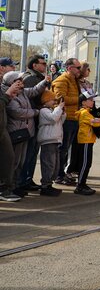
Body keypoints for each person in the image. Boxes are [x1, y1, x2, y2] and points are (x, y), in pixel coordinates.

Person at [3, 71, 48, 198]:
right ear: (12, 82)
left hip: (25, 132)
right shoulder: (10, 94)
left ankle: (16, 185)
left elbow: (34, 90)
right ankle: (9, 187)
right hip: (16, 132)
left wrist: (44, 82)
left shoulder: (22, 92)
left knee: (21, 161)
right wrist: (35, 112)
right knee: (14, 162)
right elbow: (17, 112)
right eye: (19, 80)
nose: (22, 82)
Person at [19, 54, 49, 192]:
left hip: (36, 118)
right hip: (32, 120)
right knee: (28, 154)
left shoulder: (37, 77)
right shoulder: (30, 78)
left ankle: (27, 179)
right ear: (34, 65)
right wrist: (42, 108)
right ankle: (23, 181)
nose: (45, 65)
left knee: (32, 153)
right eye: (43, 63)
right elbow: (32, 98)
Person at [51, 57, 82, 185]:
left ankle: (62, 173)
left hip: (73, 117)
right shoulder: (62, 80)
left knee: (66, 148)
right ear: (70, 68)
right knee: (62, 149)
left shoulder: (74, 80)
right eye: (78, 68)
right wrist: (80, 98)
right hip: (66, 119)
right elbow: (60, 99)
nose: (80, 70)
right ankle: (58, 175)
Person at [74, 90, 100, 196]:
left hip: (88, 140)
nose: (93, 102)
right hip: (85, 140)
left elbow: (98, 121)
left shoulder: (87, 112)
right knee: (85, 164)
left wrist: (98, 120)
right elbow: (96, 123)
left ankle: (82, 183)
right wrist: (99, 120)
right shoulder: (85, 113)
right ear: (83, 102)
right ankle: (80, 185)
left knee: (86, 163)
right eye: (90, 100)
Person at [36, 90, 65, 196]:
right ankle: (45, 185)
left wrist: (62, 112)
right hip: (48, 141)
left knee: (55, 164)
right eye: (53, 100)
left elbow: (60, 120)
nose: (55, 102)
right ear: (46, 100)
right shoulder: (44, 111)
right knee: (49, 163)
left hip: (55, 139)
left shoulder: (52, 110)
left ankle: (49, 184)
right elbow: (53, 119)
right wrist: (59, 108)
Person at [0, 79, 23, 202]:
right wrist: (7, 95)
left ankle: (4, 189)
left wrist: (9, 96)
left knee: (8, 158)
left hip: (2, 128)